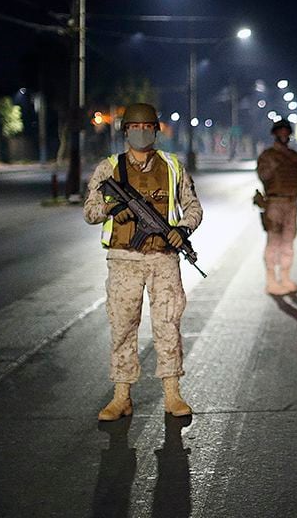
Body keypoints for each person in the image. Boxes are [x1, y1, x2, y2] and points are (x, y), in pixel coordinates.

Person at [84, 102, 203, 421]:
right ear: (125, 132)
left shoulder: (173, 166)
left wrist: (182, 229)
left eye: (147, 127)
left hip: (163, 258)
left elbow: (193, 207)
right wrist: (112, 209)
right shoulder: (109, 168)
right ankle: (121, 397)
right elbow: (90, 211)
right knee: (123, 326)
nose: (141, 133)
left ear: (156, 131)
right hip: (123, 259)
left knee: (168, 323)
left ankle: (172, 395)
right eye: (135, 128)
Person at [256, 119, 297, 295]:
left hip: (291, 203)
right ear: (275, 134)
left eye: (286, 133)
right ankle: (271, 280)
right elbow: (263, 175)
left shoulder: (294, 156)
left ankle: (286, 278)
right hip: (274, 203)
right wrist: (274, 166)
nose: (283, 135)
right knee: (273, 242)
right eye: (280, 133)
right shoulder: (268, 155)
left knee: (288, 242)